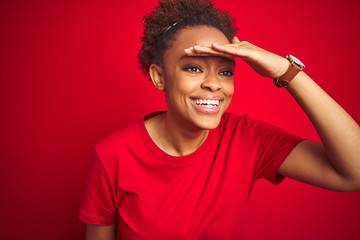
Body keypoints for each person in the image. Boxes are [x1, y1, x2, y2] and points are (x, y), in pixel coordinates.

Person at [78, 0, 360, 239]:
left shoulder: (248, 138)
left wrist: (287, 71)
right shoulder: (112, 156)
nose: (214, 84)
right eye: (193, 68)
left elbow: (354, 172)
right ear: (159, 77)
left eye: (225, 72)